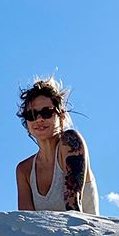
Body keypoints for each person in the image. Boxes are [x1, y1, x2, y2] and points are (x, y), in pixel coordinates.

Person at [15, 77, 99, 214]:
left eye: (47, 112)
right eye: (31, 115)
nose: (39, 119)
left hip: (84, 234)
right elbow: (26, 223)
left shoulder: (70, 143)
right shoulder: (24, 170)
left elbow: (74, 211)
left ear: (61, 116)